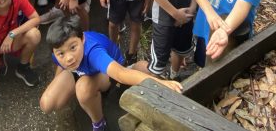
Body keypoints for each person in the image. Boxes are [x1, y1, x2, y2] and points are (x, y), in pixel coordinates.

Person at [39, 16, 182, 131]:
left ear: (82, 39)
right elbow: (60, 63)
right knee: (47, 104)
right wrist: (59, 82)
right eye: (61, 53)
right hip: (81, 71)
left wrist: (160, 83)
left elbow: (120, 73)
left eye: (73, 47)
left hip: (108, 73)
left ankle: (98, 123)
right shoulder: (59, 51)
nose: (69, 58)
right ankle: (88, 96)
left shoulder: (94, 52)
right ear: (54, 52)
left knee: (83, 89)